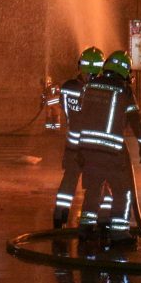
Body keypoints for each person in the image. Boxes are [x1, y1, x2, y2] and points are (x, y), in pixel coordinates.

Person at [76, 50, 141, 248]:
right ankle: (119, 234)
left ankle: (85, 230)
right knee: (122, 191)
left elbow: (80, 118)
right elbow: (136, 120)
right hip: (110, 151)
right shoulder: (123, 90)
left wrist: (80, 149)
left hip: (88, 149)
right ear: (124, 70)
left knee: (93, 190)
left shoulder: (90, 86)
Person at [52, 46, 105, 229]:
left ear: (80, 65)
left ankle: (59, 216)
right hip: (93, 148)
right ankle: (92, 222)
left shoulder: (68, 87)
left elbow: (65, 109)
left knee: (68, 182)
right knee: (95, 184)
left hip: (73, 145)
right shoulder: (101, 90)